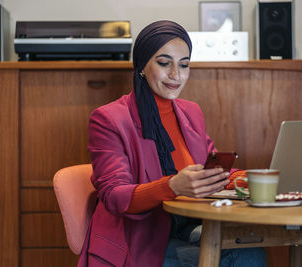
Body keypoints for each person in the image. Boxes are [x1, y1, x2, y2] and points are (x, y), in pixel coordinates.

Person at [78, 20, 266, 267]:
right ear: (142, 65)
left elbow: (210, 170)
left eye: (184, 65)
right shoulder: (109, 119)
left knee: (248, 245)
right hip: (138, 239)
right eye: (165, 63)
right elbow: (114, 196)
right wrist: (173, 185)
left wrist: (258, 178)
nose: (176, 75)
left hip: (186, 226)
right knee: (236, 255)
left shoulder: (191, 112)